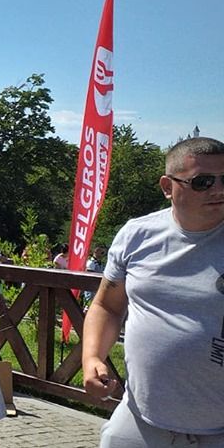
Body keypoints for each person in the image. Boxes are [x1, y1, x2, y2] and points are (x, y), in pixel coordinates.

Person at [82, 137, 224, 446]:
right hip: (141, 414)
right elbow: (107, 306)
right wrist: (92, 356)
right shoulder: (137, 235)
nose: (218, 190)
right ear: (167, 186)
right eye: (203, 182)